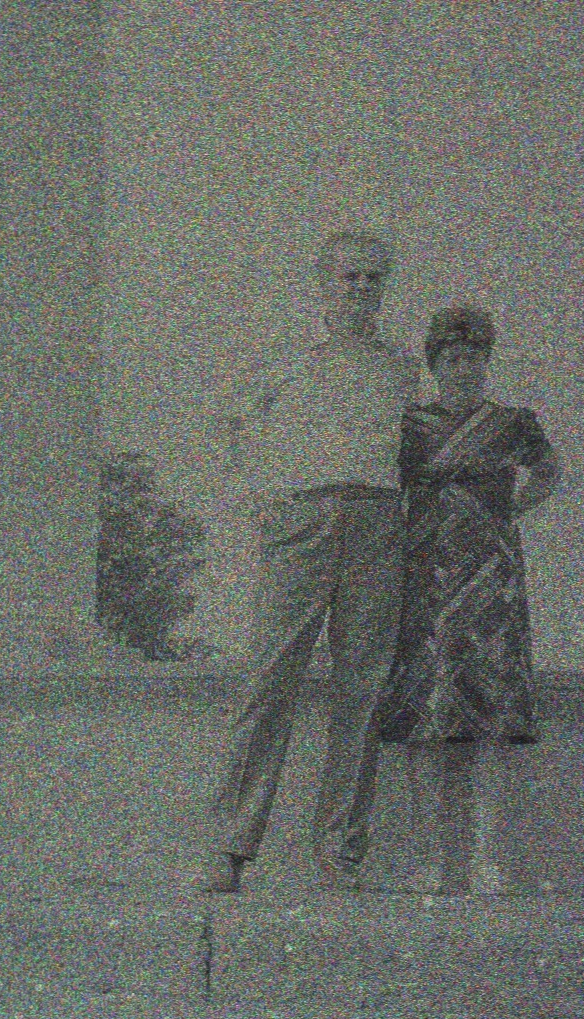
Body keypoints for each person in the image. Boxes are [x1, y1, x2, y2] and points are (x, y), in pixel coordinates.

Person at [202, 231, 417, 893]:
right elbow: (231, 427)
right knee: (268, 681)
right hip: (304, 521)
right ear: (323, 284)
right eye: (349, 277)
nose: (362, 289)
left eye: (373, 279)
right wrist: (258, 498)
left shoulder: (401, 368)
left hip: (377, 523)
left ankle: (339, 852)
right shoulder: (286, 356)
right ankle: (228, 847)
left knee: (364, 690)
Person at [373, 306, 562, 893]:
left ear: (487, 361)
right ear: (435, 365)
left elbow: (548, 472)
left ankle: (487, 860)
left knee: (493, 715)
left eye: (474, 357)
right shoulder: (410, 425)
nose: (464, 368)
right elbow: (384, 488)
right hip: (427, 577)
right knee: (425, 715)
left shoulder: (512, 422)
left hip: (491, 580)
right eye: (452, 358)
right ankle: (429, 859)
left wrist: (507, 513)